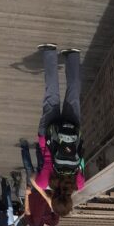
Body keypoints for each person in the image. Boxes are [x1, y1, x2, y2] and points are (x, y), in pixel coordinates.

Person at [36, 44, 84, 216]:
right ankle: (49, 53)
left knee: (73, 95)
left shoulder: (78, 184)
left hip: (72, 134)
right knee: (51, 95)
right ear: (53, 201)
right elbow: (38, 172)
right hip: (48, 135)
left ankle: (73, 56)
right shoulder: (44, 183)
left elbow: (82, 161)